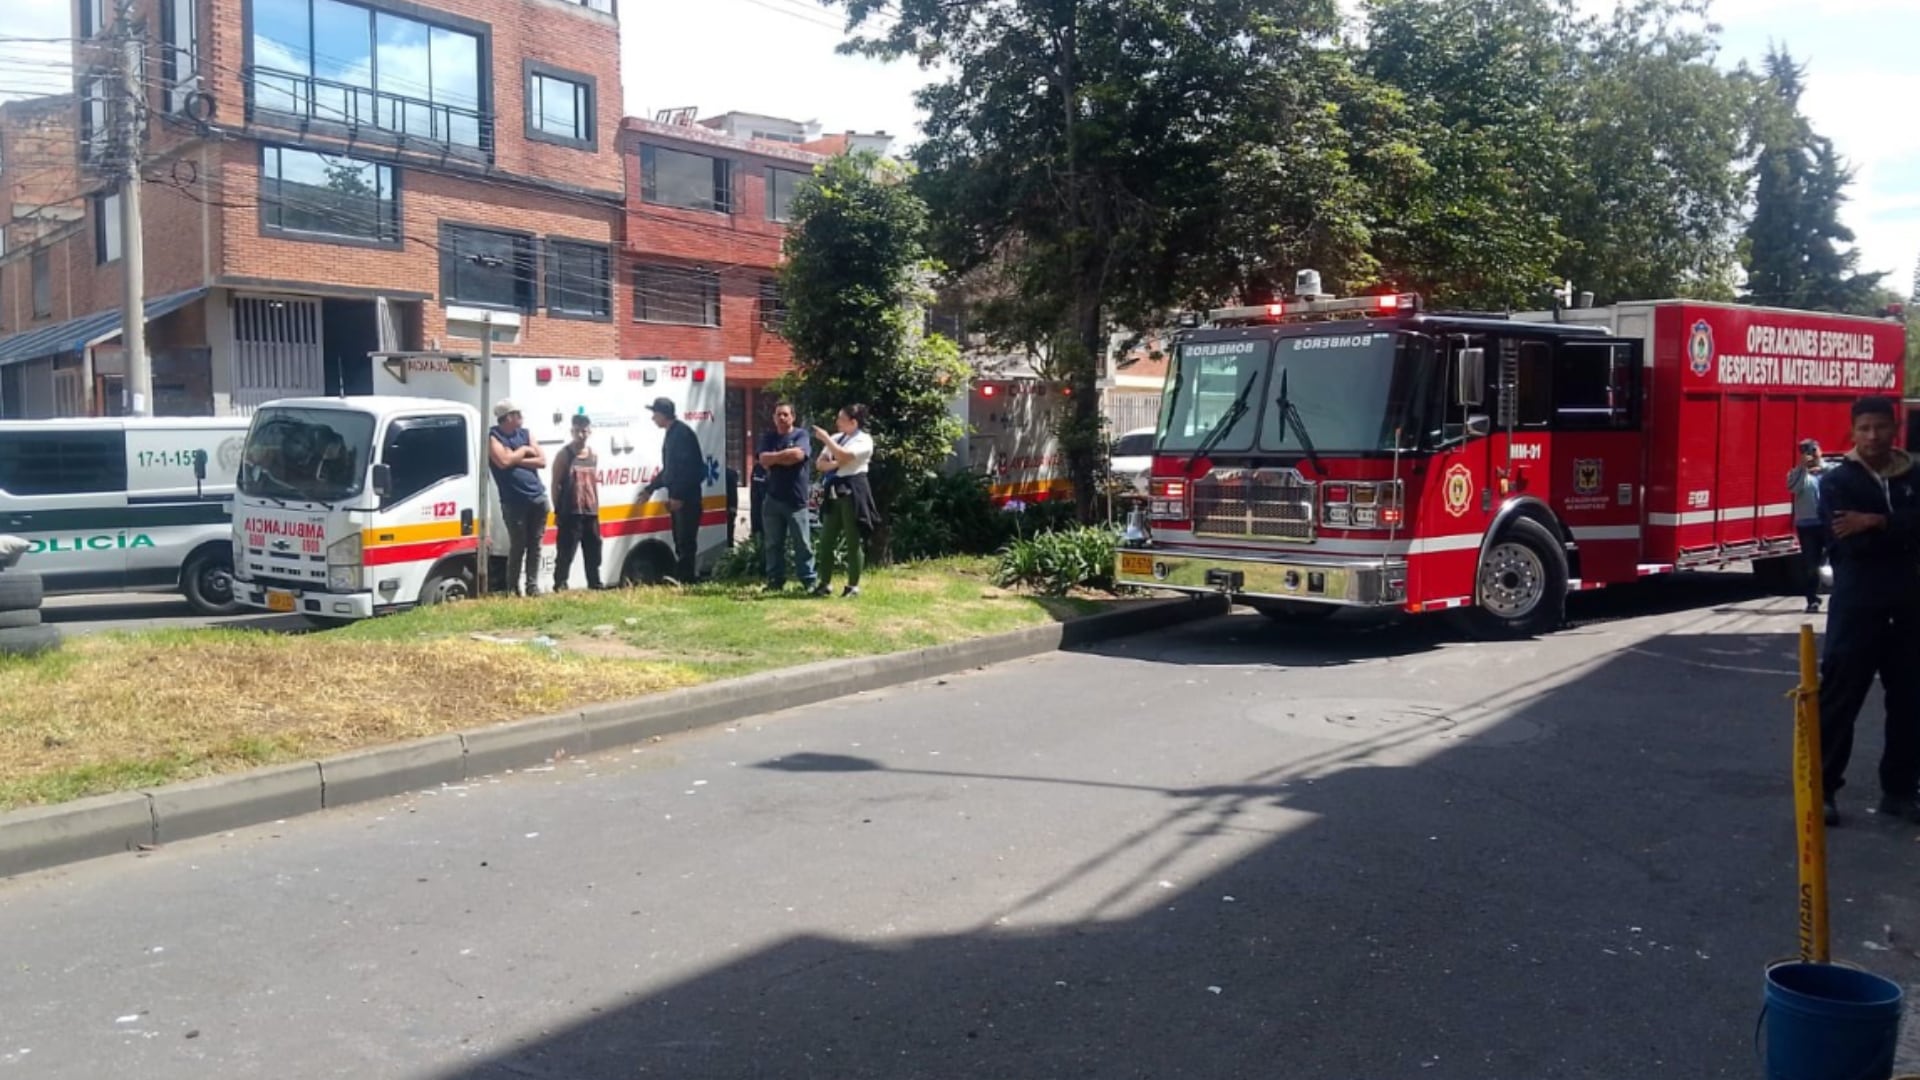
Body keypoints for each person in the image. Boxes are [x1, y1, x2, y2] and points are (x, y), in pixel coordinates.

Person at [1816, 396, 1920, 827]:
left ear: (1894, 429)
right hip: (1858, 607)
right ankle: (1822, 791)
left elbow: (1872, 533)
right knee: (1840, 701)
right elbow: (1851, 544)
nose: (1873, 437)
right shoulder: (1839, 481)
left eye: (1880, 428)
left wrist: (1877, 521)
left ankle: (1900, 790)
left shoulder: (1913, 474)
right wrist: (1904, 531)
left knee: (1911, 703)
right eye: (1865, 429)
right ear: (1853, 432)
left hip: (1911, 607)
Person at [810, 403, 879, 599]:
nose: (837, 422)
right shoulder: (836, 438)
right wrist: (837, 462)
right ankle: (824, 583)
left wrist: (826, 441)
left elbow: (845, 454)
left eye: (841, 419)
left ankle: (853, 586)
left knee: (852, 539)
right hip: (833, 490)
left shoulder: (864, 440)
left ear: (853, 422)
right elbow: (820, 464)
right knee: (826, 540)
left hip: (853, 491)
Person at [640, 397, 706, 583]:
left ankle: (687, 579)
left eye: (655, 414)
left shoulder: (681, 434)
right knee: (680, 540)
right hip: (679, 497)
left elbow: (690, 469)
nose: (653, 418)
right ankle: (684, 577)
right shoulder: (672, 433)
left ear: (662, 414)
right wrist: (650, 489)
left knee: (686, 541)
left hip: (687, 499)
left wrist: (679, 497)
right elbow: (670, 470)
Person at [488, 399, 548, 597]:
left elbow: (541, 461)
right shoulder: (494, 437)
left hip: (537, 497)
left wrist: (515, 458)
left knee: (535, 545)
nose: (521, 417)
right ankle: (512, 588)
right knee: (518, 545)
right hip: (514, 502)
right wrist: (523, 451)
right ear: (508, 417)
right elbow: (503, 462)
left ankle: (532, 586)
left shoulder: (526, 433)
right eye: (517, 414)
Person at [755, 402, 817, 592]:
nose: (782, 418)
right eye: (778, 415)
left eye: (785, 415)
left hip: (796, 499)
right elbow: (763, 459)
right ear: (774, 418)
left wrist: (775, 457)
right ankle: (775, 580)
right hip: (772, 498)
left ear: (793, 417)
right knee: (773, 544)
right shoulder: (768, 437)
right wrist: (784, 457)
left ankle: (808, 580)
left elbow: (799, 455)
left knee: (802, 543)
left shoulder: (801, 435)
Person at [550, 412, 603, 592]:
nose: (582, 434)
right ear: (572, 431)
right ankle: (560, 584)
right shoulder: (564, 455)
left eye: (585, 430)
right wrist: (557, 510)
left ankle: (595, 583)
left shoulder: (593, 455)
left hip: (591, 511)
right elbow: (555, 484)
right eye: (578, 431)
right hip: (570, 511)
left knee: (594, 549)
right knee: (566, 551)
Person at [1788, 439, 1827, 613]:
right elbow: (1794, 487)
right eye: (1805, 451)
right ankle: (1812, 600)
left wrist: (1822, 466)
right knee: (1811, 565)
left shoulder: (1831, 470)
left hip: (1830, 523)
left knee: (1842, 561)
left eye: (1813, 450)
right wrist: (1803, 467)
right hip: (1808, 526)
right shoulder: (1796, 474)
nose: (1810, 454)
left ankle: (1842, 597)